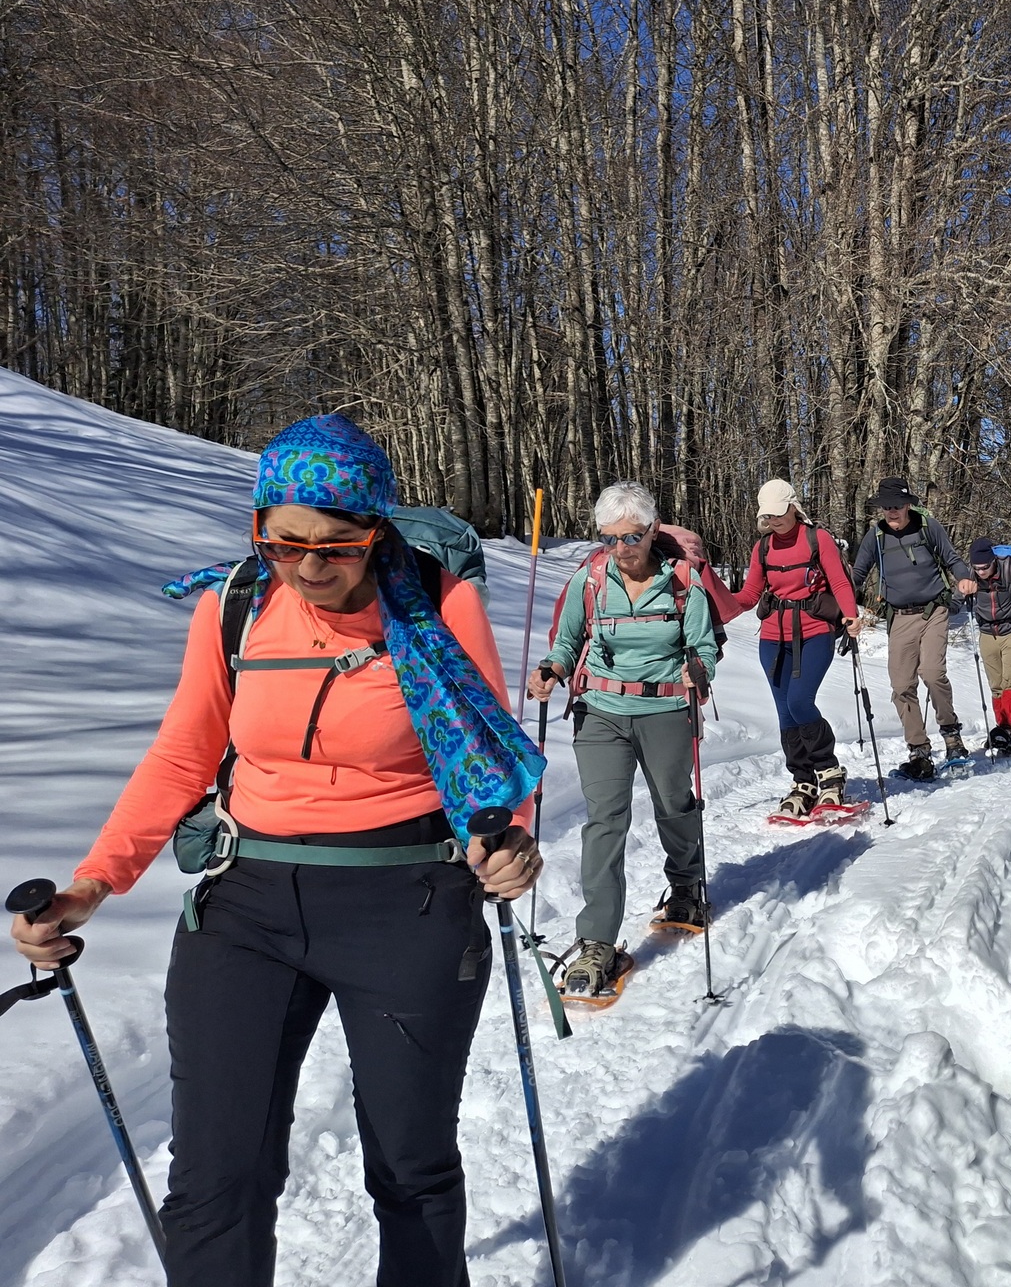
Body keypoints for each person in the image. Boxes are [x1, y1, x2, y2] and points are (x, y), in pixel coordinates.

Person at [10, 414, 543, 1287]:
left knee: (410, 1170)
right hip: (246, 905)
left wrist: (508, 842)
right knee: (217, 1174)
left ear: (378, 532)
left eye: (338, 545)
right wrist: (93, 883)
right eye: (284, 542)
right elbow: (184, 755)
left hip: (406, 903)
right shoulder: (237, 606)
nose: (307, 566)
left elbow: (490, 756)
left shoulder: (440, 606)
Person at [527, 482, 721, 992]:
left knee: (674, 804)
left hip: (664, 710)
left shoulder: (682, 582)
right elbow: (567, 641)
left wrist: (698, 668)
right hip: (600, 713)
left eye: (632, 536)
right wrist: (552, 668)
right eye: (609, 538)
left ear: (652, 530)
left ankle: (685, 887)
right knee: (605, 822)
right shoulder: (590, 579)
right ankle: (596, 943)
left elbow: (703, 645)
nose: (621, 548)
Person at [732, 479, 860, 816]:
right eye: (768, 517)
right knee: (785, 711)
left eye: (778, 514)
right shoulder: (763, 548)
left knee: (800, 701)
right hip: (773, 637)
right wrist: (713, 600)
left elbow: (840, 581)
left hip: (815, 631)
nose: (774, 521)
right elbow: (747, 596)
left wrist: (851, 615)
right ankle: (803, 781)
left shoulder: (817, 539)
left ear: (793, 507)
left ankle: (829, 773)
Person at [846, 476, 979, 779]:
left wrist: (963, 577)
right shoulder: (875, 537)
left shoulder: (927, 527)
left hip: (934, 610)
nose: (891, 512)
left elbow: (952, 558)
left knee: (932, 673)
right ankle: (919, 751)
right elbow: (859, 575)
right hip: (899, 617)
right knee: (902, 685)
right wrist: (841, 605)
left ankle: (951, 734)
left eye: (896, 505)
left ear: (908, 505)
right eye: (885, 507)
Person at [967, 537, 1011, 752]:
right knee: (996, 684)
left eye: (985, 567)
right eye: (976, 568)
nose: (981, 572)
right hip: (987, 633)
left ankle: (1008, 728)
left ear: (993, 561)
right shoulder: (971, 576)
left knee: (1009, 680)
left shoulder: (1009, 570)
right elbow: (957, 600)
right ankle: (1001, 729)